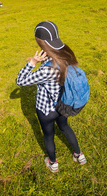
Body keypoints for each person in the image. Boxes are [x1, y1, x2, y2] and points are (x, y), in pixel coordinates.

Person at [16, 21, 87, 173]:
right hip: (63, 105)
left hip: (46, 110)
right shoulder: (67, 55)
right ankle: (79, 155)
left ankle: (53, 163)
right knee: (64, 126)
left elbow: (20, 81)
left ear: (42, 44)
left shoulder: (47, 71)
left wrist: (33, 63)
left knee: (48, 135)